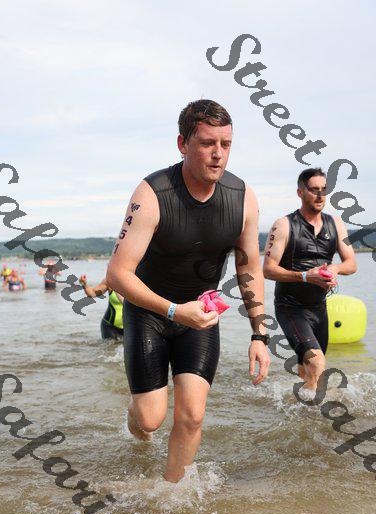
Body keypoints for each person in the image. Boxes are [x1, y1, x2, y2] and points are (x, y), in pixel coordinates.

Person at [107, 99, 271, 483]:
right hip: (150, 313)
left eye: (226, 144)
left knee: (193, 415)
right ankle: (135, 415)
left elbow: (249, 266)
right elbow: (117, 274)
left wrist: (259, 334)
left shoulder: (243, 197)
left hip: (200, 316)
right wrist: (173, 310)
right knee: (150, 419)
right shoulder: (152, 193)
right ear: (182, 144)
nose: (218, 154)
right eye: (207, 143)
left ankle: (170, 492)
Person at [263, 167, 357, 393]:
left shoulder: (336, 224)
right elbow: (268, 269)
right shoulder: (284, 225)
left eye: (324, 189)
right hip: (290, 307)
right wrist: (305, 276)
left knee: (307, 371)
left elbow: (351, 263)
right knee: (317, 363)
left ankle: (295, 406)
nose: (320, 195)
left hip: (319, 309)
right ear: (300, 192)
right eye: (314, 190)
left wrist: (335, 268)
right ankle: (313, 407)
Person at [79, 274, 124, 340]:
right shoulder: (110, 280)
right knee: (110, 346)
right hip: (110, 327)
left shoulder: (137, 281)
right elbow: (92, 293)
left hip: (130, 327)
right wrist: (84, 284)